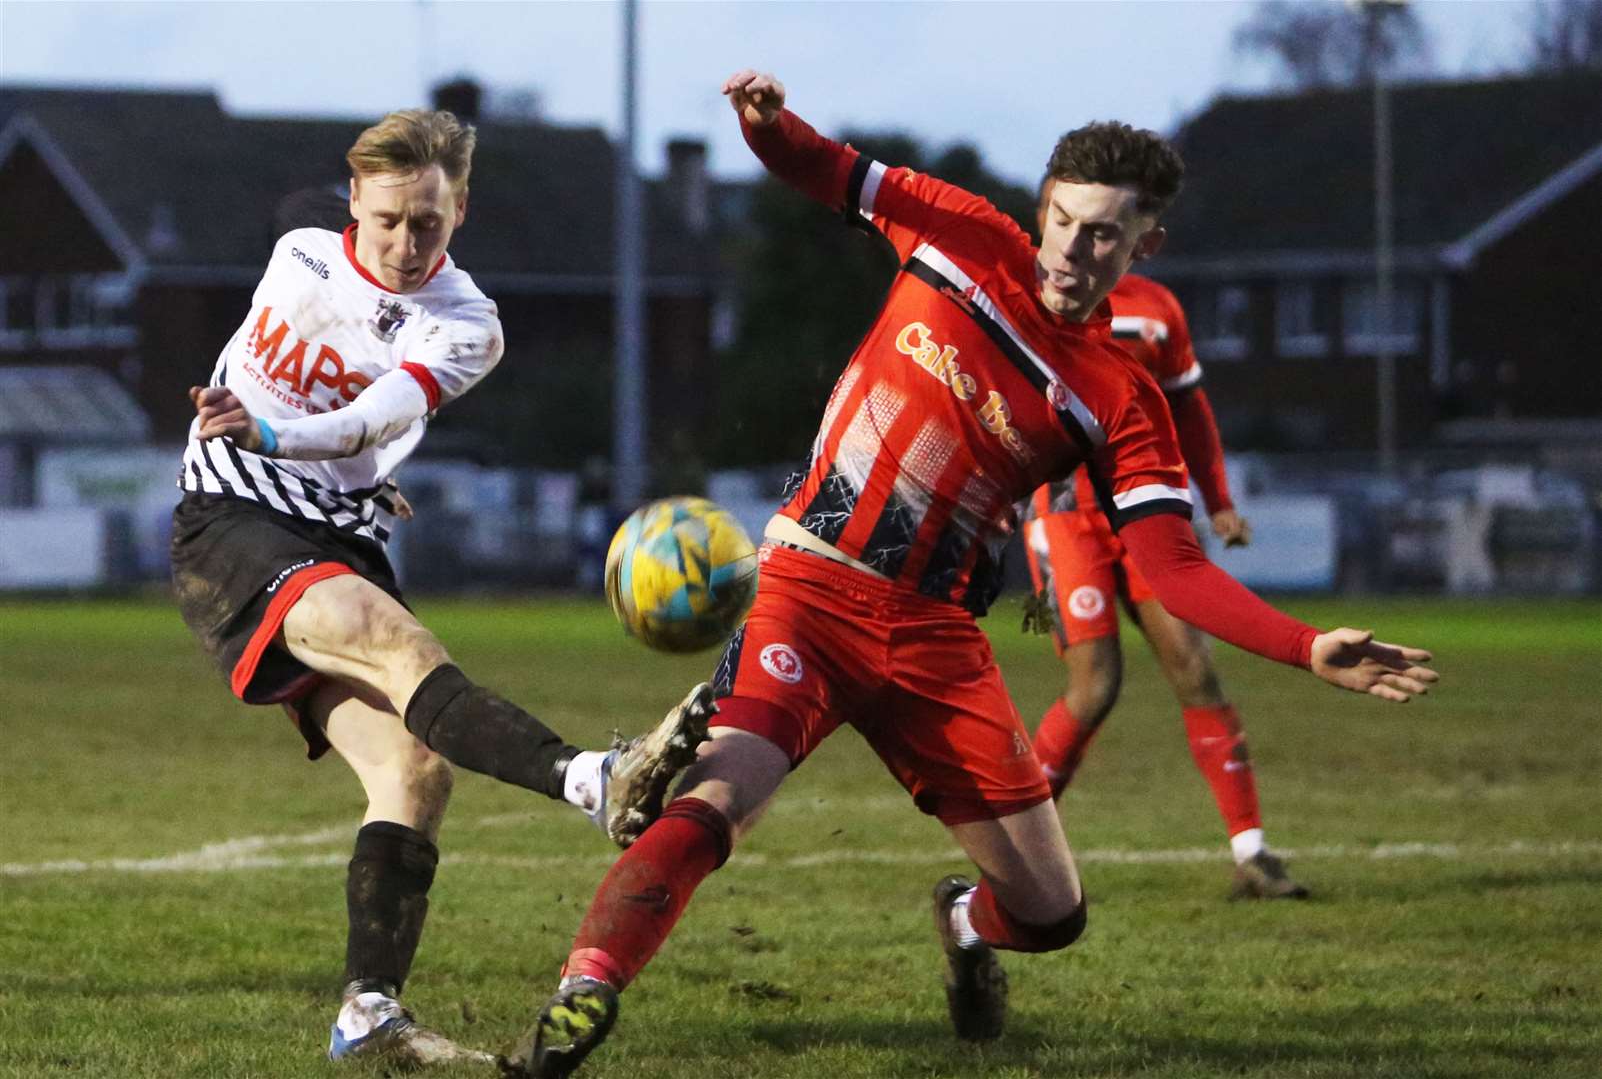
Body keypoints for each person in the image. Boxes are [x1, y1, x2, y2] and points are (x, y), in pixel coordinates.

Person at [500, 71, 1439, 1078]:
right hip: (809, 594)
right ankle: (582, 996)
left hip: (938, 645)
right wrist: (766, 126)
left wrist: (1307, 646)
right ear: (1042, 209)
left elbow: (1171, 568)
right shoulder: (959, 234)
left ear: (1144, 247)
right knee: (717, 798)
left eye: (1108, 234)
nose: (1079, 250)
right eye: (1068, 222)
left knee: (1052, 913)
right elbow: (824, 171)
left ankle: (965, 923)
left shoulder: (1119, 398)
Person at [169, 107, 714, 1067]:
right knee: (403, 649)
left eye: (427, 221)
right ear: (353, 203)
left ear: (459, 210)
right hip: (233, 520)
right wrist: (258, 434)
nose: (405, 242)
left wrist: (311, 451)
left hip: (335, 532)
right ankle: (595, 780)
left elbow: (372, 414)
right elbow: (304, 413)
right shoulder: (298, 253)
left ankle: (368, 1014)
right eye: (386, 220)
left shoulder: (469, 325)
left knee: (415, 773)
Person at [1023, 256, 1306, 898]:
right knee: (1095, 687)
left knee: (1195, 667)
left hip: (1149, 505)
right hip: (1067, 515)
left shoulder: (1157, 308)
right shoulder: (1028, 296)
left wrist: (1218, 499)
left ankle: (1252, 853)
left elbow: (1190, 407)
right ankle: (1019, 850)